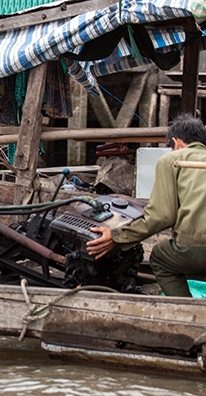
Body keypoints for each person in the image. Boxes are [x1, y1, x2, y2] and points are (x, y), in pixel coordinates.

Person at [86, 113, 206, 296]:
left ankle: (188, 313)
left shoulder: (172, 160)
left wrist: (117, 236)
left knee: (159, 258)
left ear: (176, 142)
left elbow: (162, 216)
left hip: (195, 249)